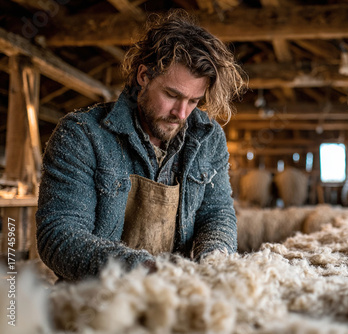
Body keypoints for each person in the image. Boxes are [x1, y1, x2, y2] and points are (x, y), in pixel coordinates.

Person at [36, 10, 247, 282]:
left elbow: (217, 214)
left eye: (194, 101)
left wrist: (214, 258)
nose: (181, 114)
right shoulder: (81, 135)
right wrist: (141, 269)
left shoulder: (209, 138)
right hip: (96, 300)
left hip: (179, 294)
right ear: (144, 76)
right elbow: (59, 234)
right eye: (172, 95)